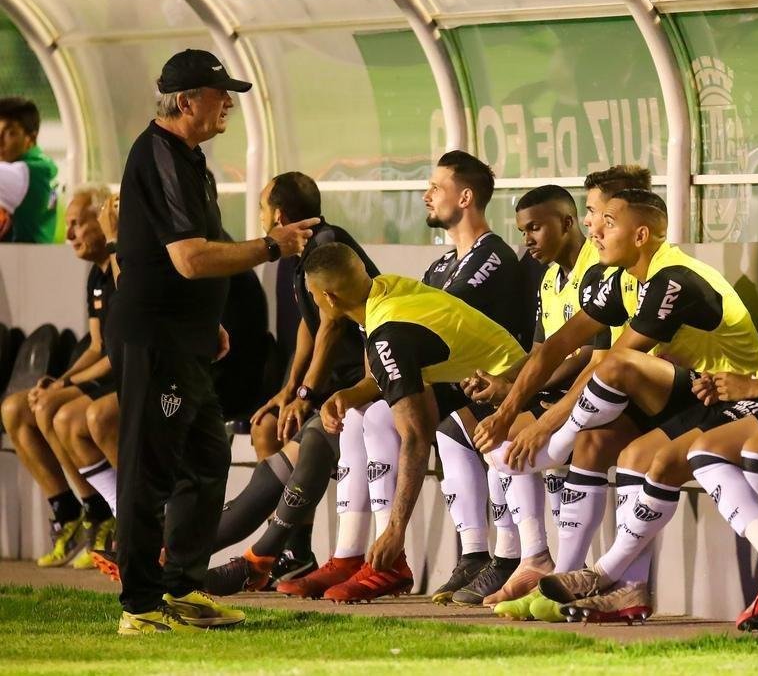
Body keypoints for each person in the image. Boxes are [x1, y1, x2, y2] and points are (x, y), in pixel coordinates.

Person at [536, 166, 758, 627]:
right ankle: (626, 588)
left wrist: (750, 386)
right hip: (746, 397)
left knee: (695, 451)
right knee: (635, 454)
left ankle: (605, 570)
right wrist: (734, 381)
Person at [473, 189, 758, 621]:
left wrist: (548, 427)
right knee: (600, 446)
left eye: (608, 221)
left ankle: (561, 461)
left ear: (641, 234)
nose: (596, 230)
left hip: (725, 398)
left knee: (617, 366)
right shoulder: (625, 278)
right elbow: (555, 346)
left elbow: (613, 363)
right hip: (682, 398)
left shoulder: (673, 278)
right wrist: (508, 412)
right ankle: (577, 582)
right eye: (595, 218)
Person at [106, 48, 317, 635]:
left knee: (205, 458)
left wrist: (208, 322)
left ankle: (182, 588)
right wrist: (272, 245)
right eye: (220, 94)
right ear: (187, 100)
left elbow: (180, 256)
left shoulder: (189, 158)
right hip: (155, 339)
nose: (228, 104)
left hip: (186, 338)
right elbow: (191, 259)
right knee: (149, 470)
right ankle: (140, 605)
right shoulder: (159, 154)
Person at [302, 242, 527, 603]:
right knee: (371, 415)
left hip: (514, 392)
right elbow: (396, 373)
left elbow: (416, 436)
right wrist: (348, 395)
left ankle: (514, 559)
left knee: (419, 429)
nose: (315, 304)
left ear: (328, 297)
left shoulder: (387, 331)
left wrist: (396, 529)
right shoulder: (385, 291)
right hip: (490, 384)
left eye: (313, 298)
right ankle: (358, 554)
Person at [204, 171, 380, 595]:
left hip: (368, 384)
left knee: (307, 436)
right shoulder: (301, 249)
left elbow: (332, 326)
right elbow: (309, 323)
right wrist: (287, 390)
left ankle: (203, 555)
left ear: (278, 214)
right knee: (271, 425)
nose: (261, 216)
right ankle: (287, 553)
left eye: (264, 208)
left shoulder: (327, 246)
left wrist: (305, 395)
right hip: (341, 388)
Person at [434, 184, 598, 608]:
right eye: (524, 230)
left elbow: (589, 353)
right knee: (483, 433)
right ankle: (530, 557)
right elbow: (541, 353)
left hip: (598, 392)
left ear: (568, 221)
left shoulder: (596, 270)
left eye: (536, 228)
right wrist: (502, 380)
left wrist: (519, 391)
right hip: (562, 394)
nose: (527, 239)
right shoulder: (548, 278)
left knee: (505, 442)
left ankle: (541, 560)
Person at [1, 185, 116, 569]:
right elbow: (97, 345)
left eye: (77, 224)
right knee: (17, 407)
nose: (68, 236)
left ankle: (101, 514)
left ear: (103, 220)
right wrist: (60, 379)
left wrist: (64, 387)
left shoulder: (122, 267)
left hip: (127, 377)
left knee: (56, 410)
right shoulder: (94, 277)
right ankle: (66, 512)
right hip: (105, 368)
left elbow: (119, 355)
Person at [0, 97, 58, 243]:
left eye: (10, 133)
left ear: (31, 137)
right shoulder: (44, 166)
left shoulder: (22, 173)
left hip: (21, 261)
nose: (0, 141)